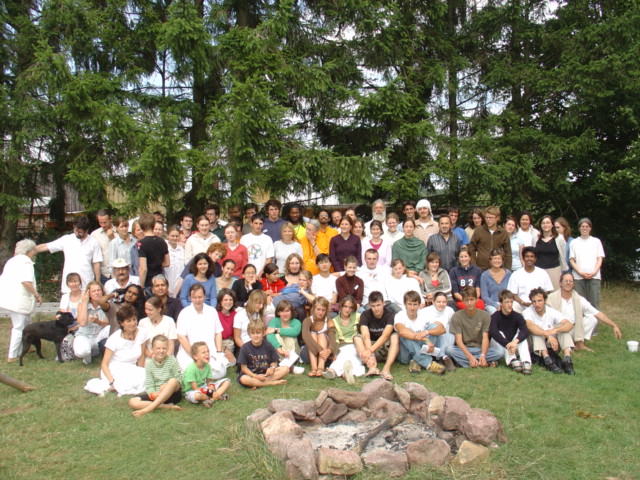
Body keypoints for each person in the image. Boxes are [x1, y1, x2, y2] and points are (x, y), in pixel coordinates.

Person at [547, 272, 622, 352]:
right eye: (566, 281)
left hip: (572, 329)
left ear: (573, 284)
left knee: (592, 318)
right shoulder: (551, 298)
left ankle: (579, 344)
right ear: (560, 283)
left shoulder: (578, 299)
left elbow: (597, 313)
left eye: (570, 281)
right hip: (557, 330)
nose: (568, 283)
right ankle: (566, 346)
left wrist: (614, 325)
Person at [0, 239, 42, 363]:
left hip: (10, 297)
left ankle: (26, 345)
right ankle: (12, 355)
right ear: (29, 251)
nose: (35, 253)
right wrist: (36, 294)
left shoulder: (12, 261)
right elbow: (26, 281)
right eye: (34, 250)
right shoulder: (26, 263)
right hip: (18, 299)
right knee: (19, 326)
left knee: (27, 324)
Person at [35, 216, 102, 293]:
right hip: (69, 283)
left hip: (86, 281)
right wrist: (31, 250)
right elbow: (47, 246)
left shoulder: (93, 242)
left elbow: (96, 263)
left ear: (87, 230)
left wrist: (97, 282)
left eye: (80, 232)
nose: (77, 233)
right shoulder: (67, 239)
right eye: (75, 230)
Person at [176, 284, 228, 374]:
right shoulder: (184, 313)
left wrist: (219, 352)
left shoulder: (212, 311)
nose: (197, 300)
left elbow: (218, 333)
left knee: (221, 372)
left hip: (210, 353)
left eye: (200, 297)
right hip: (190, 354)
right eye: (194, 297)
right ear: (190, 298)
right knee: (193, 372)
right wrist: (194, 355)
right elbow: (181, 337)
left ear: (204, 297)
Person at [445, 286, 502, 368]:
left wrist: (483, 355)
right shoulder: (457, 316)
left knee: (500, 351)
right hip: (464, 349)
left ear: (477, 300)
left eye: (471, 299)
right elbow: (459, 341)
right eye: (466, 300)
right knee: (449, 349)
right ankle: (483, 363)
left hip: (480, 348)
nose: (469, 303)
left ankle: (466, 363)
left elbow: (485, 338)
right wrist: (470, 357)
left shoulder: (485, 315)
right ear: (463, 301)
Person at [523, 287, 575, 375]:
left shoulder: (551, 311)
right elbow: (530, 326)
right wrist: (547, 335)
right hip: (536, 345)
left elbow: (569, 325)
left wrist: (555, 330)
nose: (537, 304)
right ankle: (548, 361)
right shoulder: (527, 312)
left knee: (564, 332)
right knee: (537, 332)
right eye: (534, 301)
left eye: (539, 301)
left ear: (545, 300)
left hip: (552, 344)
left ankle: (567, 360)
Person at [128, 335, 183, 417]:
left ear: (167, 348)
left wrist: (166, 386)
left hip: (172, 394)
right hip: (157, 395)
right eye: (158, 348)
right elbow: (149, 384)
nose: (161, 351)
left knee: (173, 381)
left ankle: (147, 409)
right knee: (133, 401)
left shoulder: (172, 361)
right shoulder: (149, 364)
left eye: (164, 348)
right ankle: (165, 406)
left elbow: (179, 380)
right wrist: (152, 394)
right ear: (152, 349)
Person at [394, 291, 447, 375]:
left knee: (432, 327)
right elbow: (402, 331)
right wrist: (425, 339)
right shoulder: (400, 315)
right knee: (404, 336)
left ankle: (416, 361)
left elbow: (442, 329)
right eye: (409, 304)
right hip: (405, 354)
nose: (412, 307)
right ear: (405, 304)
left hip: (420, 348)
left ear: (419, 305)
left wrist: (427, 332)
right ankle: (429, 364)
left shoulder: (423, 314)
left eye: (415, 304)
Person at [100, 304, 148, 394]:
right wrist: (111, 381)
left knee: (147, 376)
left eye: (134, 319)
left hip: (132, 367)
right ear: (122, 323)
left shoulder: (142, 332)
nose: (133, 323)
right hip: (115, 369)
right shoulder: (114, 339)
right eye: (129, 321)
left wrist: (140, 371)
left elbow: (141, 357)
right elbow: (104, 364)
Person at [353, 291, 399, 381]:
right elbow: (365, 335)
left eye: (378, 305)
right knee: (357, 338)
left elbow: (385, 335)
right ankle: (372, 366)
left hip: (384, 347)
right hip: (370, 347)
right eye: (373, 306)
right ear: (369, 305)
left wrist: (370, 351)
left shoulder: (390, 314)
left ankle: (386, 368)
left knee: (395, 336)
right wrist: (371, 354)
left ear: (383, 303)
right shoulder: (365, 315)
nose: (376, 308)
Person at [320, 296, 365, 383]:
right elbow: (336, 339)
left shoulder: (357, 316)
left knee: (352, 355)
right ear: (341, 307)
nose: (347, 310)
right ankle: (340, 372)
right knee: (341, 357)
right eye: (345, 306)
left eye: (350, 307)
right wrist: (334, 353)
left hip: (355, 344)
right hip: (342, 345)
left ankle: (335, 370)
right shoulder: (335, 321)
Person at [489, 290, 532, 374]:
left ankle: (526, 362)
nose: (509, 304)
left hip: (513, 345)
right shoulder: (495, 316)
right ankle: (513, 360)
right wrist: (508, 344)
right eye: (506, 302)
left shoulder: (517, 316)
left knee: (520, 337)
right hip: (500, 345)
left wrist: (515, 342)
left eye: (511, 302)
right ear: (501, 303)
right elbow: (493, 332)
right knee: (499, 333)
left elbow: (525, 330)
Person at [237, 320, 289, 388]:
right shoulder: (245, 347)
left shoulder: (268, 345)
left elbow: (274, 361)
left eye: (258, 333)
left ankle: (257, 384)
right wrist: (255, 376)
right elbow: (243, 368)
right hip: (252, 375)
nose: (255, 336)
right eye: (253, 333)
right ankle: (271, 383)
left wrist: (272, 368)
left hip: (266, 374)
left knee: (286, 369)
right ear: (249, 334)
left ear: (263, 333)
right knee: (243, 379)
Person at [569, 218, 605, 309]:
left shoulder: (596, 241)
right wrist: (580, 272)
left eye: (587, 226)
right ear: (579, 228)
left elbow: (599, 258)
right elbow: (572, 260)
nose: (585, 228)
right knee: (579, 303)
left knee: (594, 302)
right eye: (582, 226)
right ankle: (580, 322)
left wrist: (594, 272)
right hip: (578, 277)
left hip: (594, 277)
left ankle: (594, 323)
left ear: (590, 228)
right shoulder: (574, 242)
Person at [506, 247, 553, 313]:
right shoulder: (516, 274)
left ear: (535, 259)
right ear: (523, 258)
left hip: (539, 303)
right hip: (522, 304)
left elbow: (548, 290)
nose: (529, 259)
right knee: (512, 306)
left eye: (532, 256)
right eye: (527, 256)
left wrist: (537, 301)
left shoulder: (542, 272)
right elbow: (513, 293)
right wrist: (522, 302)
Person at [183, 342, 230, 407]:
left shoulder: (207, 366)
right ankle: (217, 396)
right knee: (197, 396)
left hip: (204, 387)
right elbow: (195, 388)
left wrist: (211, 386)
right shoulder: (190, 370)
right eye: (203, 352)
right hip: (193, 391)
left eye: (208, 351)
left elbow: (209, 380)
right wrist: (210, 393)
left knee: (226, 382)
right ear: (195, 357)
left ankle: (211, 399)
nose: (207, 353)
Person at [301, 297, 337, 377]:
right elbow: (305, 336)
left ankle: (320, 367)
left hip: (325, 355)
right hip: (309, 353)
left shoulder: (329, 321)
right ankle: (314, 368)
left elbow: (332, 338)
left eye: (323, 310)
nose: (320, 312)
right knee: (313, 334)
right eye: (318, 309)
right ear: (313, 309)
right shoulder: (307, 320)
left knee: (321, 335)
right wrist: (320, 349)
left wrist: (329, 350)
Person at [75, 281, 109, 365]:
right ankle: (88, 354)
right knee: (82, 351)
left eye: (99, 290)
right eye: (94, 291)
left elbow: (108, 323)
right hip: (84, 335)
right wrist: (85, 303)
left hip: (99, 337)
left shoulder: (107, 304)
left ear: (102, 291)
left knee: (109, 329)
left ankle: (95, 352)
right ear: (89, 294)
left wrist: (98, 322)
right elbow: (82, 323)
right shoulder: (82, 304)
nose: (97, 293)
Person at [468, 206, 512, 271]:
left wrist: (507, 270)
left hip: (498, 269)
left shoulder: (503, 233)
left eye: (491, 218)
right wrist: (474, 266)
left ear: (497, 218)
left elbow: (508, 253)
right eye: (486, 217)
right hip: (481, 269)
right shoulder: (479, 230)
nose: (488, 220)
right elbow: (471, 249)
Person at [137, 213, 170, 290]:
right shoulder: (162, 241)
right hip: (160, 278)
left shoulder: (141, 243)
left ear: (141, 226)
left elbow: (143, 269)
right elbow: (167, 263)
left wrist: (141, 287)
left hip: (148, 282)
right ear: (153, 225)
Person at [534, 215, 566, 290]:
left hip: (554, 270)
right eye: (543, 223)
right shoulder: (535, 238)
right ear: (540, 225)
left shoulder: (559, 238)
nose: (545, 225)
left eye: (548, 222)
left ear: (552, 225)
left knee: (554, 294)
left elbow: (563, 255)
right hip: (539, 270)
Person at [480, 249, 512, 315]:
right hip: (491, 304)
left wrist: (504, 304)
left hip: (506, 302)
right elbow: (484, 296)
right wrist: (496, 305)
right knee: (495, 313)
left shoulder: (508, 274)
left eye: (499, 258)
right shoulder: (484, 275)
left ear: (502, 261)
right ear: (490, 261)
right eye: (494, 258)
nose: (497, 261)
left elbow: (511, 292)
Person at [91, 209, 115, 283]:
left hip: (118, 272)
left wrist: (112, 238)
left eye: (105, 222)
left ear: (110, 219)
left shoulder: (119, 231)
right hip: (103, 274)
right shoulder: (94, 235)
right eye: (100, 223)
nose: (103, 225)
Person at [215, 288, 239, 362]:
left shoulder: (235, 314)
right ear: (220, 301)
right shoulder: (215, 314)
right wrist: (225, 350)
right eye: (225, 300)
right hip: (217, 343)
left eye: (230, 300)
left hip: (230, 343)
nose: (228, 302)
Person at [164, 225, 184, 297]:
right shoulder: (164, 249)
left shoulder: (182, 249)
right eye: (172, 236)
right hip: (167, 284)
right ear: (167, 236)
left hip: (180, 286)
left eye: (176, 236)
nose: (174, 238)